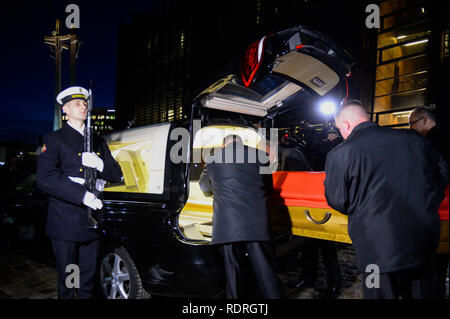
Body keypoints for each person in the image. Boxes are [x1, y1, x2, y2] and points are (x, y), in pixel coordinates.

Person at [324, 100, 448, 299]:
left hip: (375, 252)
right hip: (423, 242)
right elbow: (442, 172)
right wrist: (429, 200)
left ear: (346, 125)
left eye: (340, 130)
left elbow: (338, 200)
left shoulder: (340, 154)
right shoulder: (413, 138)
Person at [36, 86, 123, 299]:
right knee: (68, 279)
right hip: (65, 219)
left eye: (85, 103)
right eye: (77, 103)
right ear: (65, 109)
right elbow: (45, 178)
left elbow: (117, 174)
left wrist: (101, 164)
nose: (83, 106)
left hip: (91, 219)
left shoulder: (98, 140)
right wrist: (82, 195)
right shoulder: (54, 139)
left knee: (87, 279)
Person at [199, 135, 284, 299]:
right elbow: (268, 187)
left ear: (224, 145)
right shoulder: (260, 156)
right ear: (241, 143)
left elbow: (205, 186)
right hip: (256, 222)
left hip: (227, 225)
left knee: (233, 275)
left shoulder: (212, 159)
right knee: (266, 273)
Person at [295, 127, 343, 299]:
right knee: (308, 244)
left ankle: (334, 281)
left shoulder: (338, 148)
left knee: (327, 247)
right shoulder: (316, 147)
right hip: (311, 194)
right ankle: (308, 278)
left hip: (326, 197)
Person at [409, 106, 449, 299]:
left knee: (432, 266)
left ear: (424, 120)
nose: (412, 129)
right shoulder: (443, 137)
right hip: (443, 208)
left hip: (437, 210)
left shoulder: (429, 143)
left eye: (412, 124)